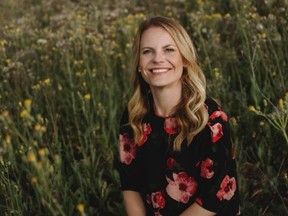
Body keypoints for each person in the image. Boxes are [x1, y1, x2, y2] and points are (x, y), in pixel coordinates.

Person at [117, 16, 240, 216]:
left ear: (184, 59)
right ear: (139, 64)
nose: (158, 59)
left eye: (169, 50)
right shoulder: (134, 115)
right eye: (147, 51)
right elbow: (130, 182)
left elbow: (213, 199)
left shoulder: (210, 118)